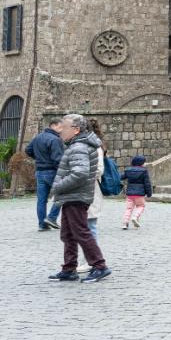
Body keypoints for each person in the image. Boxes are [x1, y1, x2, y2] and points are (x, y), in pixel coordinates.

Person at [47, 114, 110, 282]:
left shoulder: (78, 147)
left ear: (76, 130)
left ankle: (99, 266)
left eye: (64, 127)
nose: (60, 131)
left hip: (76, 196)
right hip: (73, 196)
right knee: (68, 234)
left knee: (81, 232)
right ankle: (69, 268)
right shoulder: (76, 145)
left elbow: (79, 173)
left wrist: (58, 186)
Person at [26, 118, 64, 231]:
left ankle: (42, 225)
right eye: (60, 127)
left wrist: (38, 159)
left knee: (41, 200)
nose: (62, 130)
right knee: (62, 195)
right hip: (52, 171)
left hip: (39, 172)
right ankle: (52, 217)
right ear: (54, 125)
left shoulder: (37, 137)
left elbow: (28, 150)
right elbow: (57, 159)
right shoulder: (55, 139)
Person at [86, 119, 107, 242]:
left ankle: (93, 258)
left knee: (90, 225)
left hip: (91, 187)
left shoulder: (95, 145)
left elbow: (99, 170)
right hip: (83, 190)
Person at [121, 155, 152, 229]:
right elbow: (147, 183)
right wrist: (149, 193)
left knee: (129, 208)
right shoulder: (144, 171)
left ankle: (125, 223)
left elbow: (121, 177)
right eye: (144, 162)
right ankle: (135, 217)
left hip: (130, 193)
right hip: (140, 194)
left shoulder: (128, 170)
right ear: (141, 163)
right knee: (141, 206)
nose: (144, 164)